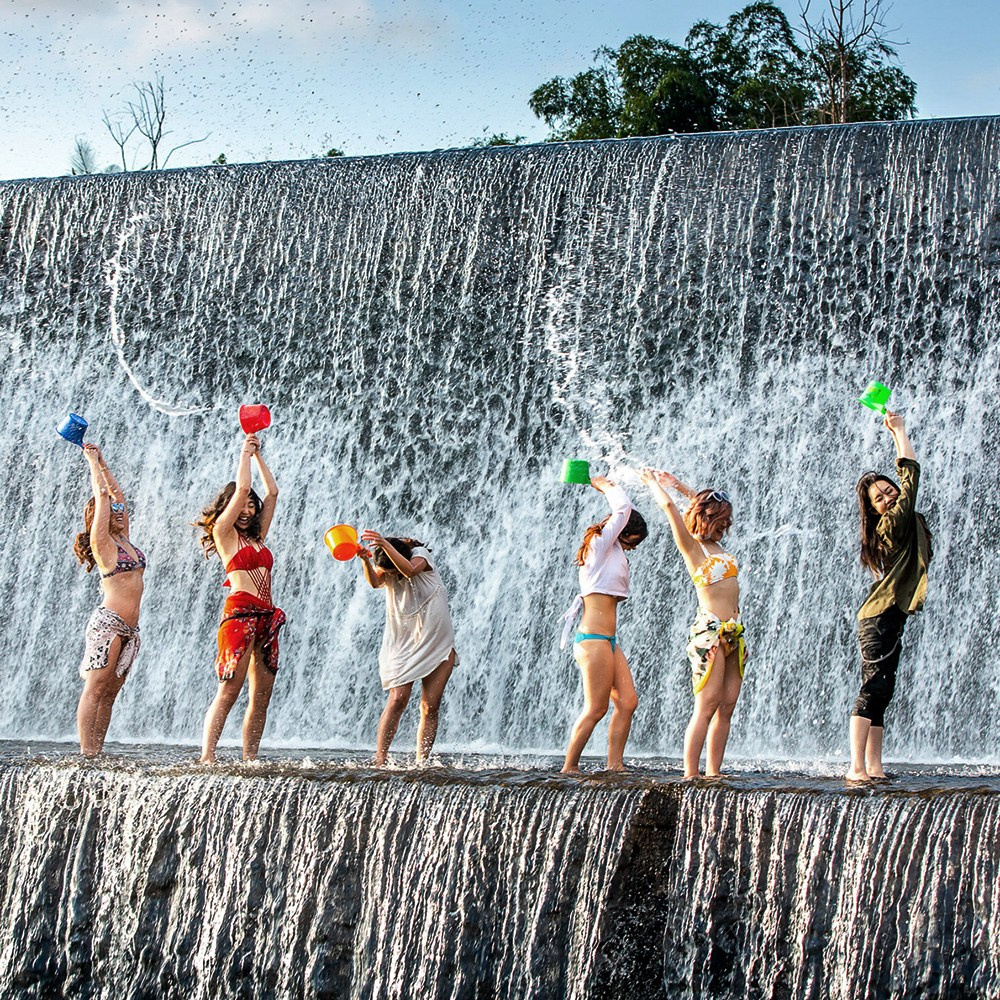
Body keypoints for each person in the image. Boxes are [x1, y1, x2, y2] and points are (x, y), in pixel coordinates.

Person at [641, 468, 746, 779]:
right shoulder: (693, 549)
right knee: (707, 704)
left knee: (727, 706)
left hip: (734, 634)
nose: (727, 525)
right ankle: (691, 773)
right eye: (722, 520)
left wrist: (681, 486)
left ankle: (714, 771)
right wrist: (653, 485)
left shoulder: (718, 546)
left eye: (728, 520)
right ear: (708, 519)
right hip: (710, 634)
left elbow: (696, 504)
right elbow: (671, 509)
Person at [848, 411, 932, 781]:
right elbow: (910, 474)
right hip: (878, 617)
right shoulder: (893, 521)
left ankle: (875, 766)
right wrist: (899, 432)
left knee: (884, 689)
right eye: (879, 497)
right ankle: (855, 766)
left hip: (890, 614)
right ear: (875, 509)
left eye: (888, 491)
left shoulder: (902, 518)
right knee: (873, 685)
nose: (888, 496)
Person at [195, 432, 283, 763]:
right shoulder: (224, 535)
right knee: (230, 690)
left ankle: (250, 758)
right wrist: (244, 453)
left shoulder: (258, 538)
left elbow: (272, 492)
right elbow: (244, 487)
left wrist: (259, 456)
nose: (246, 509)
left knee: (261, 695)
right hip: (240, 615)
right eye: (241, 505)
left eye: (250, 505)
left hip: (267, 617)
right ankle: (207, 756)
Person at [559, 476, 648, 774]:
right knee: (596, 708)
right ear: (622, 531)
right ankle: (569, 767)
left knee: (628, 701)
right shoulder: (598, 547)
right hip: (592, 639)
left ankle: (615, 765)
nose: (634, 548)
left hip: (609, 640)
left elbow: (625, 513)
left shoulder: (614, 552)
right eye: (634, 541)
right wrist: (605, 486)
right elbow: (622, 509)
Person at [357, 531, 458, 766]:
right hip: (403, 642)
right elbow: (375, 582)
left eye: (391, 570)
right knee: (397, 699)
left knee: (429, 705)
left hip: (435, 641)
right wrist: (364, 560)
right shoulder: (388, 567)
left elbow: (410, 570)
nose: (390, 576)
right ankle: (380, 758)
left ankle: (422, 761)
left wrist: (383, 543)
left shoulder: (420, 555)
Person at [73, 443, 146, 756]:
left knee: (110, 694)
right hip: (108, 625)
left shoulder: (124, 540)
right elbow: (104, 497)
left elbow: (118, 497)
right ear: (100, 519)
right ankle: (86, 752)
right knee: (95, 688)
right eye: (112, 513)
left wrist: (104, 462)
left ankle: (97, 751)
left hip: (129, 631)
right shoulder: (102, 544)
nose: (118, 512)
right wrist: (91, 463)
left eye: (120, 512)